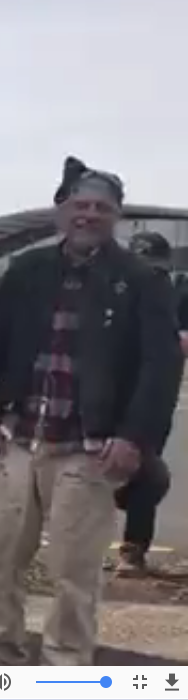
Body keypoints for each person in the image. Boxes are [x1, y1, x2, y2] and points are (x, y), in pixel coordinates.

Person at [0, 160, 183, 665]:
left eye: (101, 208)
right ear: (61, 212)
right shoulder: (27, 270)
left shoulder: (140, 280)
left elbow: (160, 367)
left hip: (88, 449)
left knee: (73, 570)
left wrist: (134, 438)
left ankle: (65, 663)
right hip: (17, 437)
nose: (89, 215)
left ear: (117, 217)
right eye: (80, 206)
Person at [116, 234, 188, 573]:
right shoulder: (111, 292)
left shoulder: (177, 294)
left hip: (156, 400)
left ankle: (132, 548)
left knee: (146, 474)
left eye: (156, 270)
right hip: (110, 397)